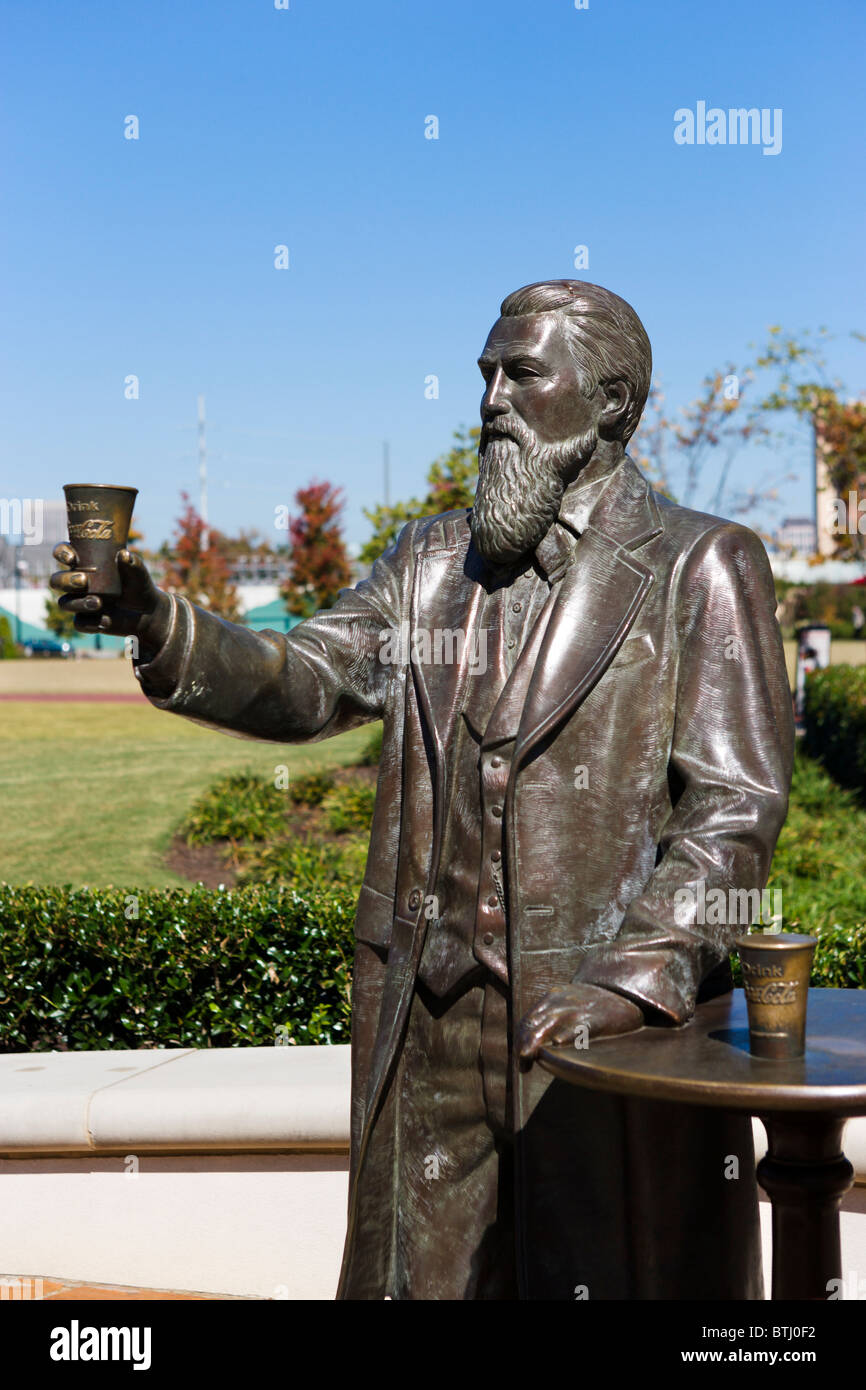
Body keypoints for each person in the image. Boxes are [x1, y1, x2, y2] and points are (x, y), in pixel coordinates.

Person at [52, 279, 794, 1300]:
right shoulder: (429, 563)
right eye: (484, 374)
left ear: (612, 402)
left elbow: (731, 809)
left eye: (521, 374)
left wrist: (629, 983)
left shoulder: (697, 565)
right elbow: (304, 679)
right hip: (428, 1024)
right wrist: (158, 619)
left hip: (595, 1048)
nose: (488, 399)